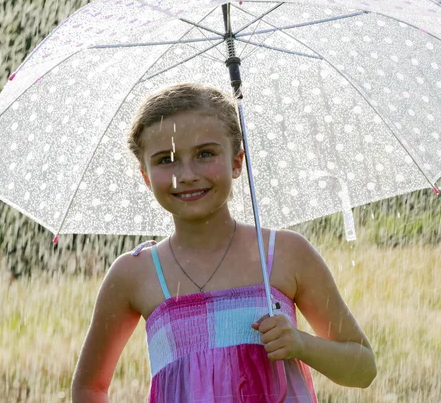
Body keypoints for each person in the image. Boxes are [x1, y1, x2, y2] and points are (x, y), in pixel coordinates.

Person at [71, 83, 377, 402]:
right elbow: (89, 387)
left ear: (237, 162)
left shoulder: (285, 255)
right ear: (146, 176)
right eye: (166, 160)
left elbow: (363, 367)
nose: (186, 174)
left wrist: (302, 344)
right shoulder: (135, 274)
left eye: (205, 154)